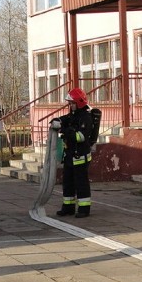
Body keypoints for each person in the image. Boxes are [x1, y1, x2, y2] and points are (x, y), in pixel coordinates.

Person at [54, 88, 95, 218]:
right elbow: (66, 119)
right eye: (69, 103)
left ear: (79, 102)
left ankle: (84, 209)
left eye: (72, 103)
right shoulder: (73, 115)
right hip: (70, 155)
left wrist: (66, 131)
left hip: (80, 156)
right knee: (68, 182)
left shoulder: (85, 117)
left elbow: (80, 137)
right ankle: (68, 207)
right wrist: (57, 121)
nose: (70, 106)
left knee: (81, 183)